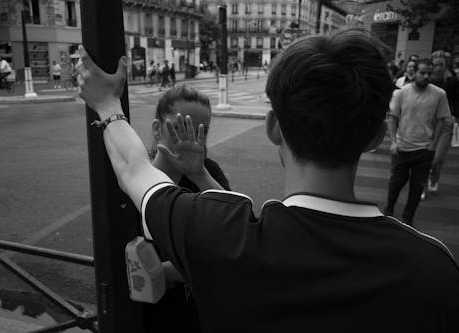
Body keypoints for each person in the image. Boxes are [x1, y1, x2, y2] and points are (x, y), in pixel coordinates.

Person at [76, 29, 459, 332]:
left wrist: (108, 104)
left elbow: (133, 169)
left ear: (274, 127)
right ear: (377, 136)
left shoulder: (220, 236)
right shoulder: (434, 270)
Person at [143, 84, 230, 332]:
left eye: (202, 130)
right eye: (182, 126)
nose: (191, 138)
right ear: (157, 129)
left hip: (199, 311)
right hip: (146, 314)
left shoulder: (208, 172)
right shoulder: (138, 178)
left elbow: (235, 231)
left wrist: (200, 174)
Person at [384, 58, 452, 225]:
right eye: (422, 73)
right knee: (395, 184)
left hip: (424, 150)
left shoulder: (439, 94)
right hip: (402, 147)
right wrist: (393, 142)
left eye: (429, 73)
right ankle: (388, 212)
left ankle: (408, 219)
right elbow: (392, 118)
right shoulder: (401, 93)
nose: (426, 76)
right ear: (414, 73)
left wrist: (433, 145)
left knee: (417, 188)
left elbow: (442, 120)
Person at [421, 51, 459, 199]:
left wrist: (455, 117)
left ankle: (434, 177)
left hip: (446, 123)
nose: (438, 68)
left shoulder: (453, 82)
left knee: (437, 159)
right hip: (427, 122)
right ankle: (421, 186)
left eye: (441, 65)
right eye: (435, 65)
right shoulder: (426, 81)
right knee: (425, 157)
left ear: (445, 65)